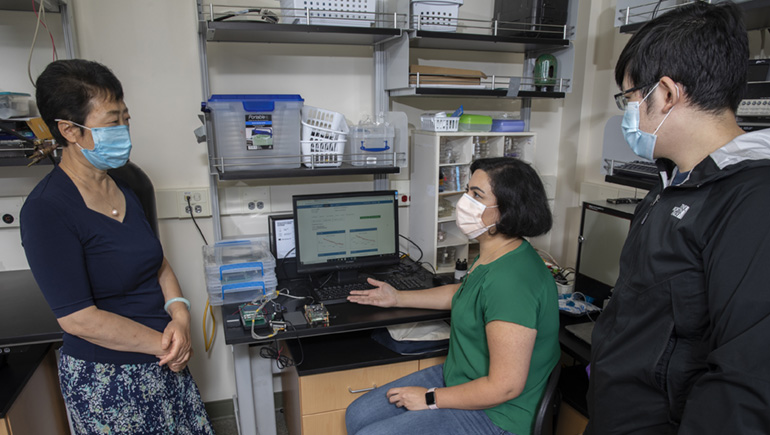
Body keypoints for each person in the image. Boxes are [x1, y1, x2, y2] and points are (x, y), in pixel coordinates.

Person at [586, 2, 770, 434]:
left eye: (630, 97)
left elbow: (746, 379)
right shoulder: (671, 185)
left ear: (666, 93)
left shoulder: (751, 200)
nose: (627, 111)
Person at [20, 59, 213, 434]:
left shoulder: (124, 187)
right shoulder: (46, 210)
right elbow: (78, 318)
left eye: (126, 118)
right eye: (112, 121)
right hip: (110, 381)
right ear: (69, 130)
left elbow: (155, 262)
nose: (124, 130)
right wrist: (167, 345)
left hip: (165, 359)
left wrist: (180, 314)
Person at [345, 157, 560, 435]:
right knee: (358, 414)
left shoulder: (513, 281)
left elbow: (505, 386)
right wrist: (397, 297)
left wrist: (429, 398)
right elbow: (465, 294)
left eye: (476, 195)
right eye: (467, 191)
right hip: (463, 378)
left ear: (507, 211)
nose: (464, 201)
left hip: (499, 413)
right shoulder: (496, 252)